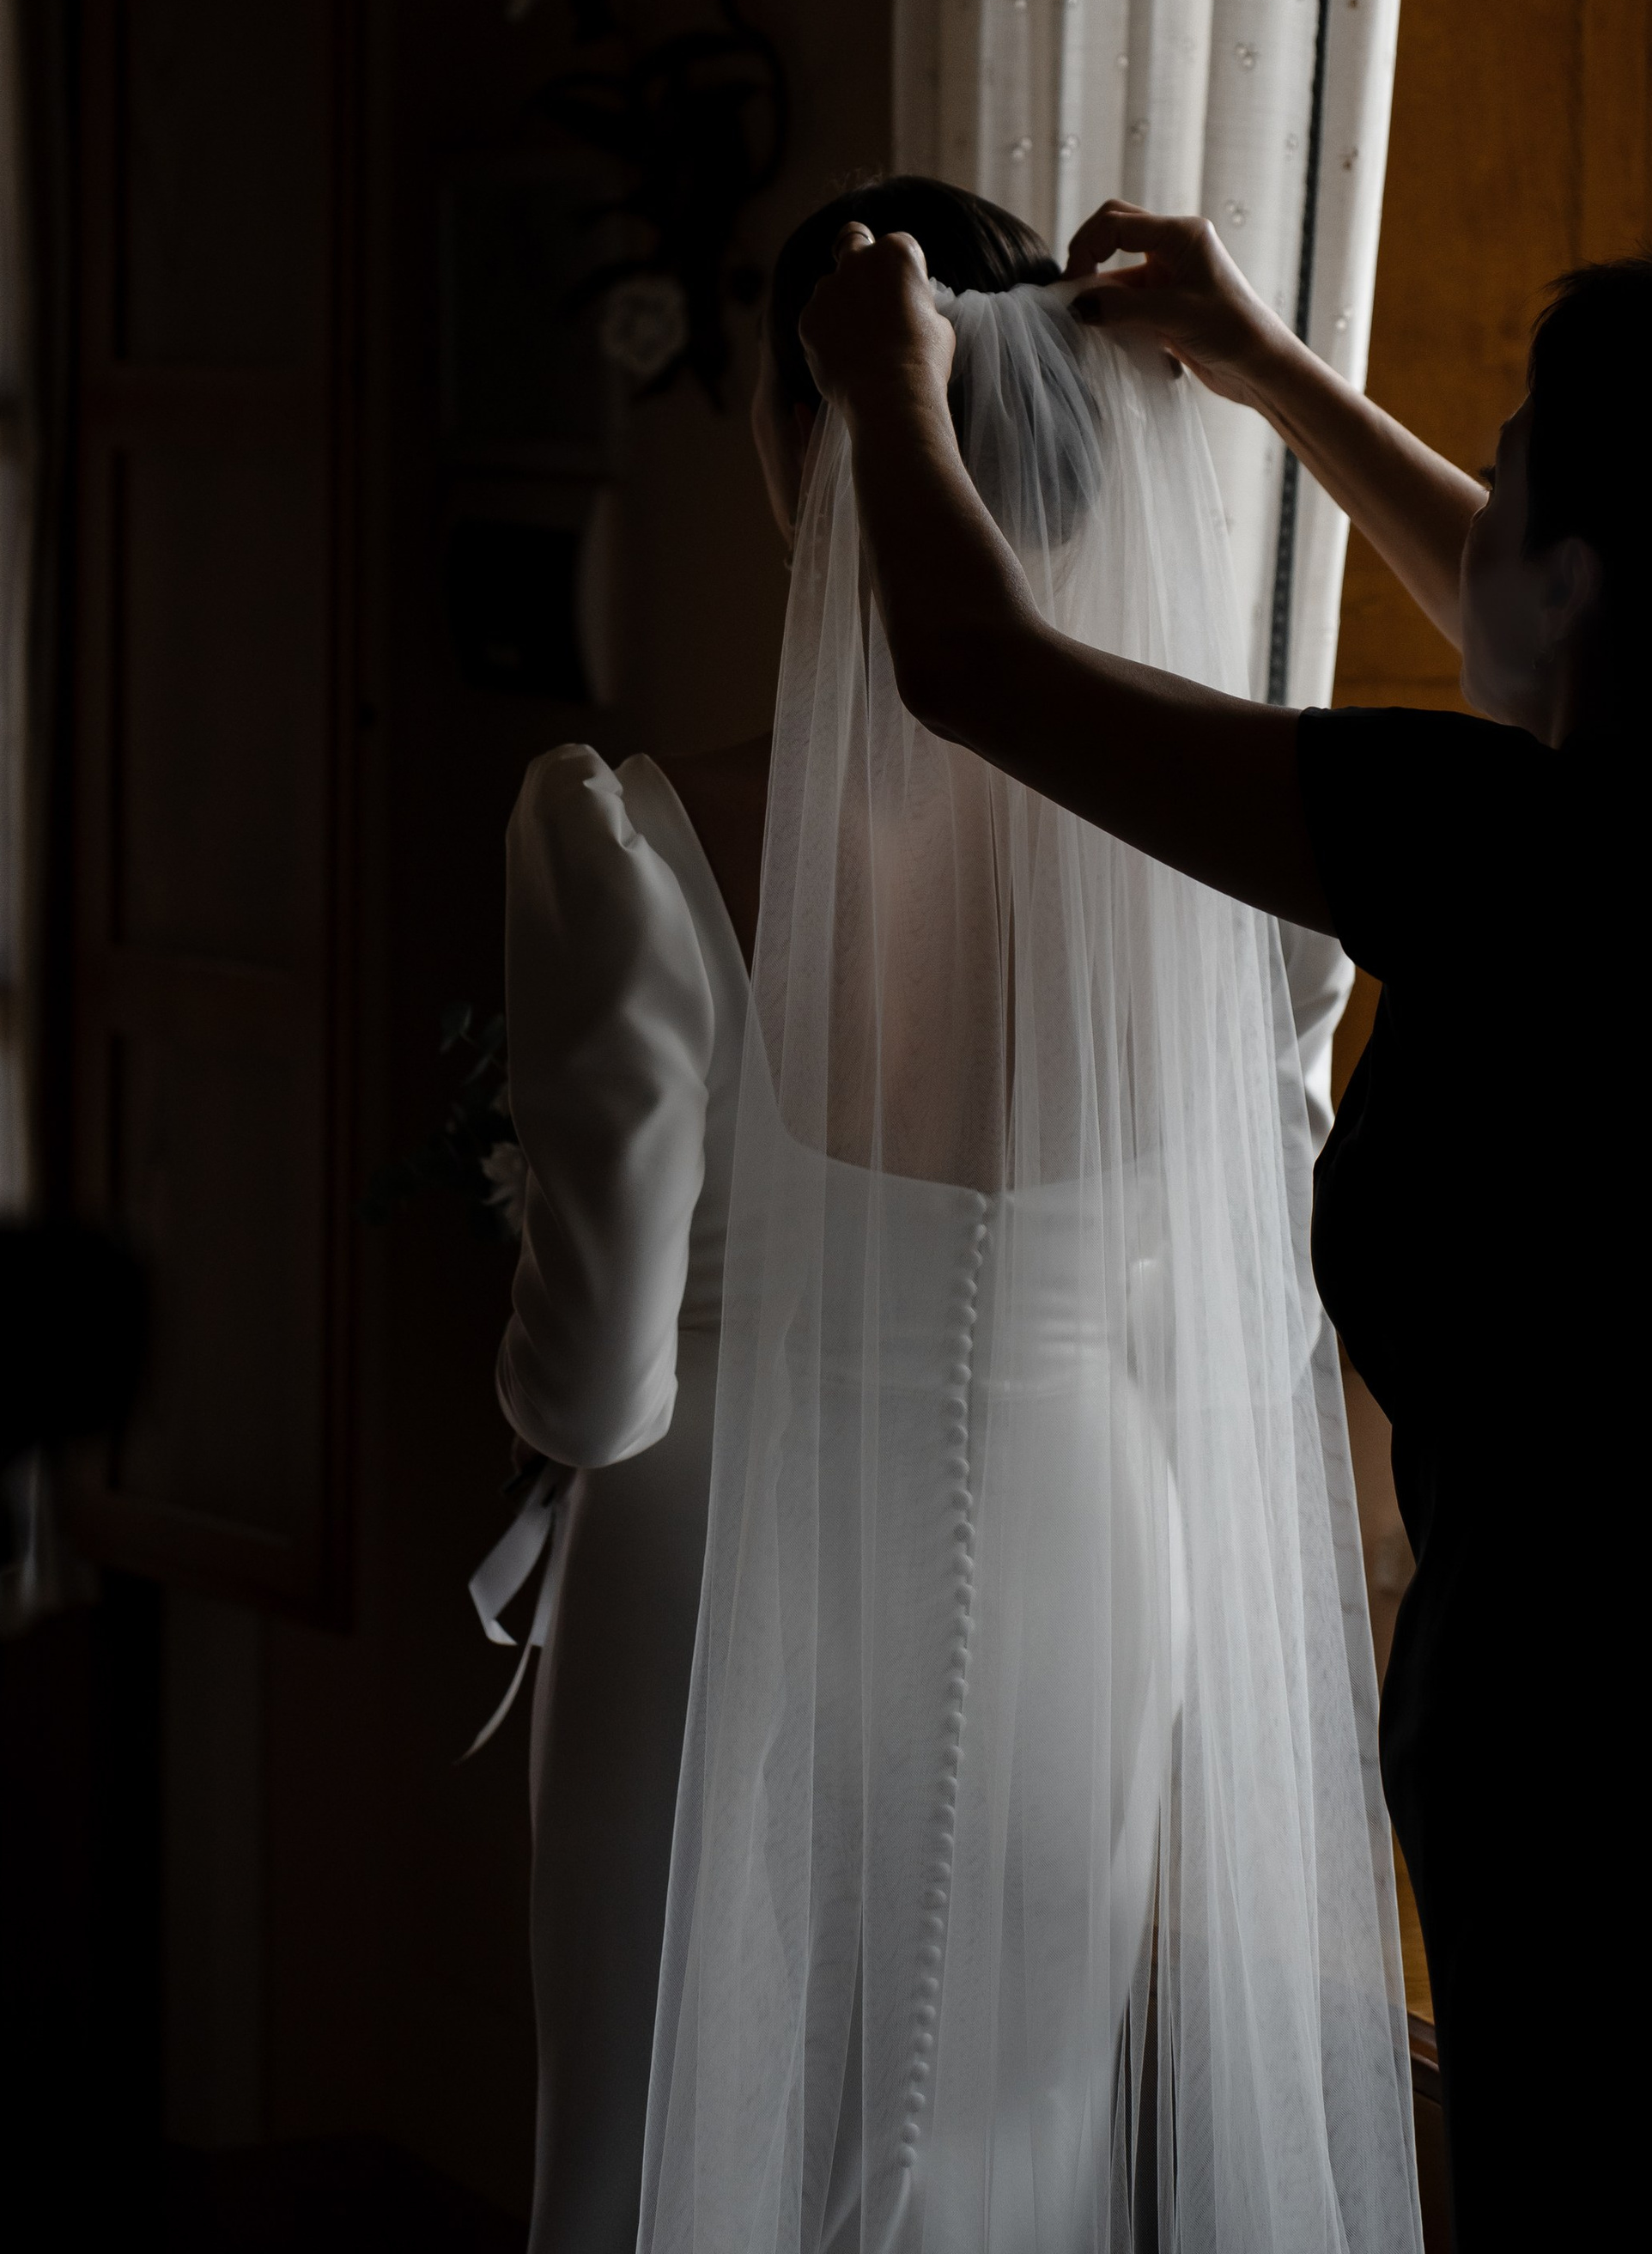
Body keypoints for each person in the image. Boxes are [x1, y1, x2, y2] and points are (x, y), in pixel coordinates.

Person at [796, 200, 1652, 2251]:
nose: (1475, 513)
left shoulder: (1485, 847)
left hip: (1574, 1769)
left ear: (1577, 579)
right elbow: (1548, 633)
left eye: (1506, 479)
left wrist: (880, 383)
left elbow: (968, 671)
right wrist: (1268, 366)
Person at [490, 179, 1418, 2254]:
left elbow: (594, 1383)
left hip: (713, 1564)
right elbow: (1249, 1319)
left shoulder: (626, 847)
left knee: (653, 2145)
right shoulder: (1234, 873)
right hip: (1086, 1542)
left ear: (791, 438)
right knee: (1011, 2137)